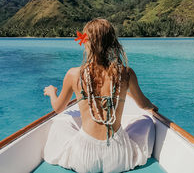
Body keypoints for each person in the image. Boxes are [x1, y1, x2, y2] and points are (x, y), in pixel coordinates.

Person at [43, 18, 158, 173]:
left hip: (84, 158)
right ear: (112, 43)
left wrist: (52, 93)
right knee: (145, 121)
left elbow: (58, 108)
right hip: (118, 157)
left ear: (86, 42)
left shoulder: (73, 74)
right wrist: (152, 107)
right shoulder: (125, 73)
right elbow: (143, 104)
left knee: (60, 123)